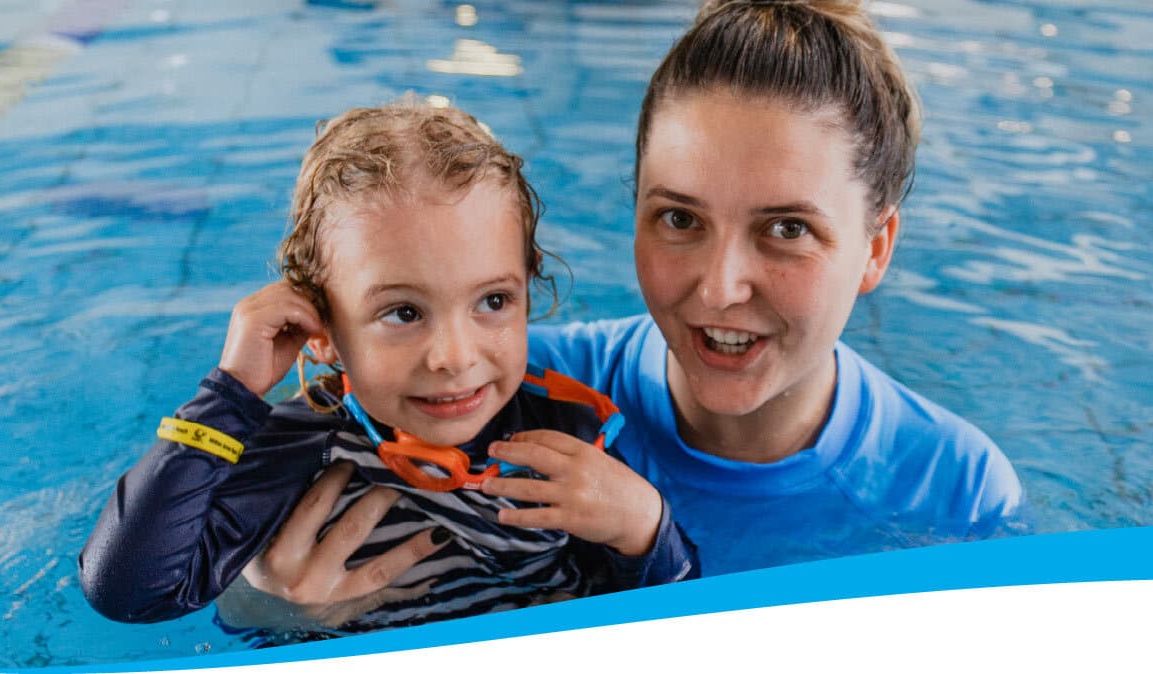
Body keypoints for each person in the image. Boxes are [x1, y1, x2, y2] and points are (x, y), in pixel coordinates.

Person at [240, 0, 1024, 619]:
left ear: (875, 249)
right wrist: (267, 608)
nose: (718, 289)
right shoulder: (494, 395)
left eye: (787, 230)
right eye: (679, 218)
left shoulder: (955, 494)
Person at [77, 99, 697, 635]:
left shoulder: (566, 434)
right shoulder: (298, 450)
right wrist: (230, 394)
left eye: (493, 301)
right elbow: (127, 592)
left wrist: (645, 529)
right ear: (321, 329)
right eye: (403, 312)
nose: (455, 356)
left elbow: (675, 617)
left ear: (527, 288)